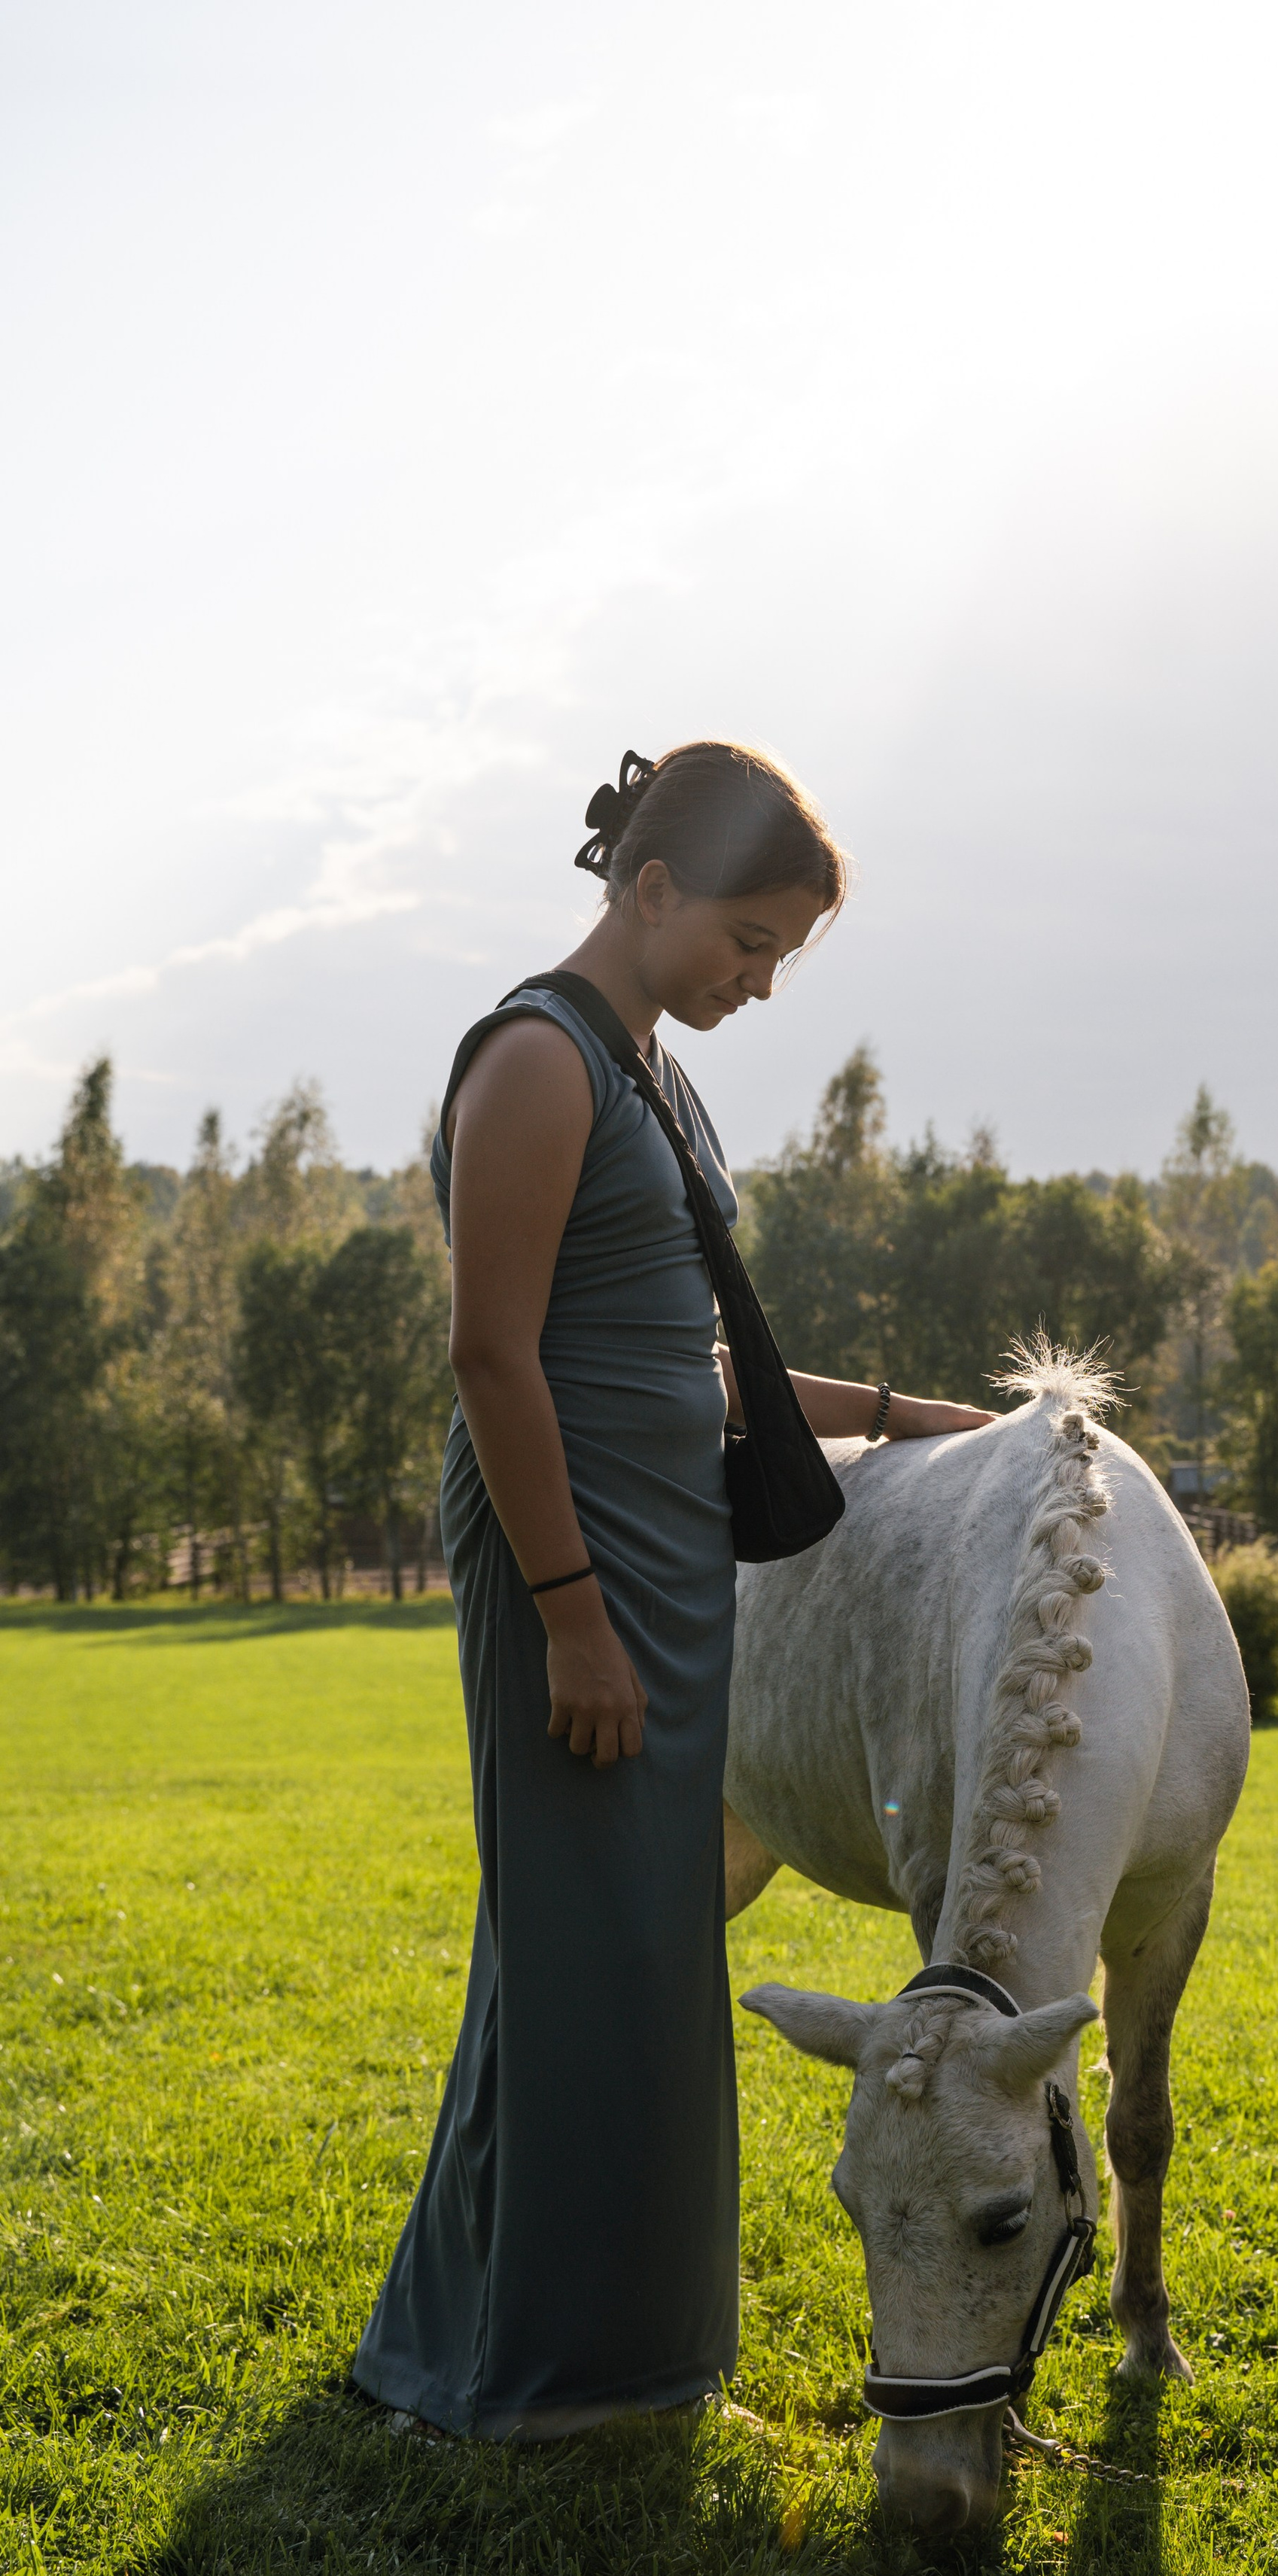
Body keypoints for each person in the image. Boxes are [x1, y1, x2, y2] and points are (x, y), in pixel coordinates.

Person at [354, 741, 992, 2438]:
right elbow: (494, 1356)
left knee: (629, 1949)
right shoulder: (538, 1060)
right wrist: (569, 1613)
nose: (761, 984)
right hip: (572, 1557)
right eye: (750, 942)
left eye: (785, 955)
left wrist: (912, 1419)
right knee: (587, 1949)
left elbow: (686, 1356)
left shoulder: (653, 1071)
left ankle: (600, 2344)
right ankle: (544, 2366)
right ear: (647, 889)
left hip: (666, 1552)